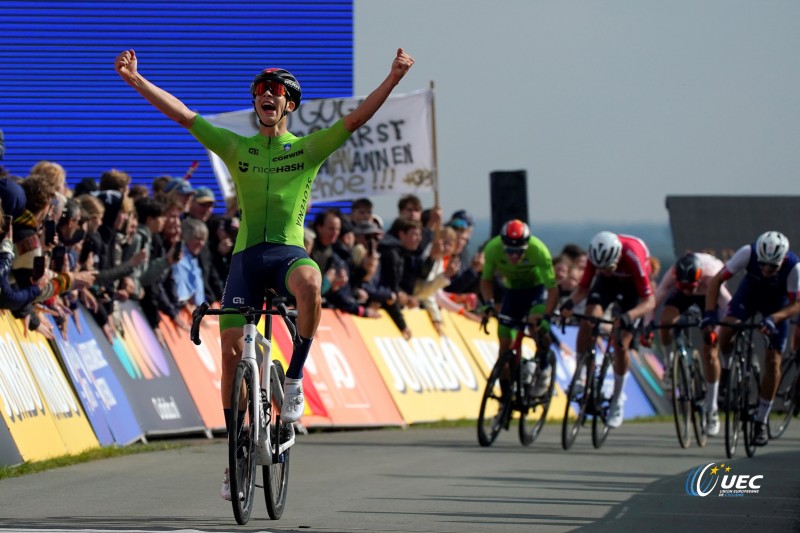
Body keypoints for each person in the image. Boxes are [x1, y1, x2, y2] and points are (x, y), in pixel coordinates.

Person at [115, 46, 414, 499]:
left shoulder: (308, 149)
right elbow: (186, 116)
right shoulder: (238, 147)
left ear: (289, 104)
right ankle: (234, 458)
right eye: (259, 91)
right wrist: (138, 82)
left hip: (288, 255)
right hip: (246, 261)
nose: (265, 96)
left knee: (311, 282)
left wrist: (392, 78)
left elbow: (355, 120)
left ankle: (293, 379)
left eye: (274, 91)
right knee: (232, 354)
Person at [702, 231, 800, 446]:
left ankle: (761, 421)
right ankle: (727, 369)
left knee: (773, 361)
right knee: (727, 329)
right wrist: (710, 313)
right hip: (749, 296)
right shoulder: (748, 252)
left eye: (772, 267)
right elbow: (716, 280)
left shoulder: (794, 267)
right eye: (762, 264)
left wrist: (774, 318)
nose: (766, 270)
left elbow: (796, 304)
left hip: (777, 306)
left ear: (782, 260)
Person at [560, 231, 655, 429]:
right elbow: (584, 288)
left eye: (608, 267)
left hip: (632, 289)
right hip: (608, 286)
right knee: (588, 320)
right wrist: (569, 303)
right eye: (601, 268)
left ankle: (618, 398)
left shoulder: (633, 255)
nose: (605, 269)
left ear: (618, 256)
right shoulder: (597, 260)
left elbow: (649, 301)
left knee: (621, 343)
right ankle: (581, 373)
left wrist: (629, 316)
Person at [649, 252, 731, 436]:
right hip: (688, 295)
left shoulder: (712, 276)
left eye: (690, 287)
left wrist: (716, 332)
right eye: (683, 287)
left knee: (710, 352)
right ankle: (669, 367)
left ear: (699, 278)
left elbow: (728, 307)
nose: (687, 291)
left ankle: (712, 409)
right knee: (665, 322)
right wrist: (647, 324)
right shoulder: (673, 274)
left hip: (709, 296)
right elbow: (656, 299)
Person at [480, 220, 558, 398]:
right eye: (509, 251)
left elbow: (553, 289)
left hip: (537, 291)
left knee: (536, 325)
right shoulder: (493, 248)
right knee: (504, 344)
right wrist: (488, 304)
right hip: (513, 293)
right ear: (503, 245)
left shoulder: (539, 250)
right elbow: (486, 280)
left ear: (527, 246)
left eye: (519, 252)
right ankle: (506, 397)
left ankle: (544, 367)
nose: (514, 257)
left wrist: (546, 316)